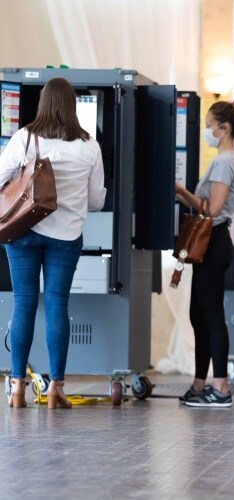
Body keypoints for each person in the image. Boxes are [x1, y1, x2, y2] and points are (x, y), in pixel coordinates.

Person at [0, 77, 106, 409]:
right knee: (58, 305)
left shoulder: (24, 138)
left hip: (22, 233)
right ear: (73, 105)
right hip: (66, 237)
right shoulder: (90, 145)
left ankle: (17, 387)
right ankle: (56, 389)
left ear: (43, 103)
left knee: (24, 303)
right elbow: (97, 201)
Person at [175, 94, 234, 408]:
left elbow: (213, 209)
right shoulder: (230, 159)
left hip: (215, 240)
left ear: (223, 128)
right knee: (199, 315)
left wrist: (182, 193)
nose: (206, 132)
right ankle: (199, 383)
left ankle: (220, 387)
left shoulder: (224, 162)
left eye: (209, 126)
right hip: (212, 243)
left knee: (211, 316)